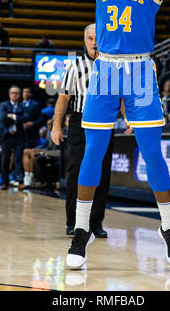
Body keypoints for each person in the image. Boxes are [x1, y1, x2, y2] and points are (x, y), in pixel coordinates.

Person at [53, 0, 170, 270]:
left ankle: (169, 228)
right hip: (106, 68)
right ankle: (81, 231)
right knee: (93, 151)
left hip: (141, 69)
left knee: (151, 151)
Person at [51, 24, 116, 238]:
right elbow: (63, 98)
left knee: (102, 173)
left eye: (98, 38)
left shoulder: (113, 65)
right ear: (84, 40)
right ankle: (74, 222)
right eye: (90, 38)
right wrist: (57, 125)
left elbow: (121, 96)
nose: (94, 42)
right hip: (80, 121)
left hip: (105, 123)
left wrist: (128, 119)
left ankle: (95, 223)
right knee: (77, 170)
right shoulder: (75, 66)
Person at [0, 85, 29, 189]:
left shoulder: (23, 106)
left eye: (17, 93)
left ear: (20, 95)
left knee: (18, 159)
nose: (15, 95)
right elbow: (3, 118)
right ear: (9, 94)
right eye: (13, 93)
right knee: (5, 159)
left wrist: (13, 116)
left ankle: (20, 181)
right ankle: (5, 182)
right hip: (6, 135)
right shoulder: (4, 104)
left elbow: (26, 117)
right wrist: (16, 118)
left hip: (19, 135)